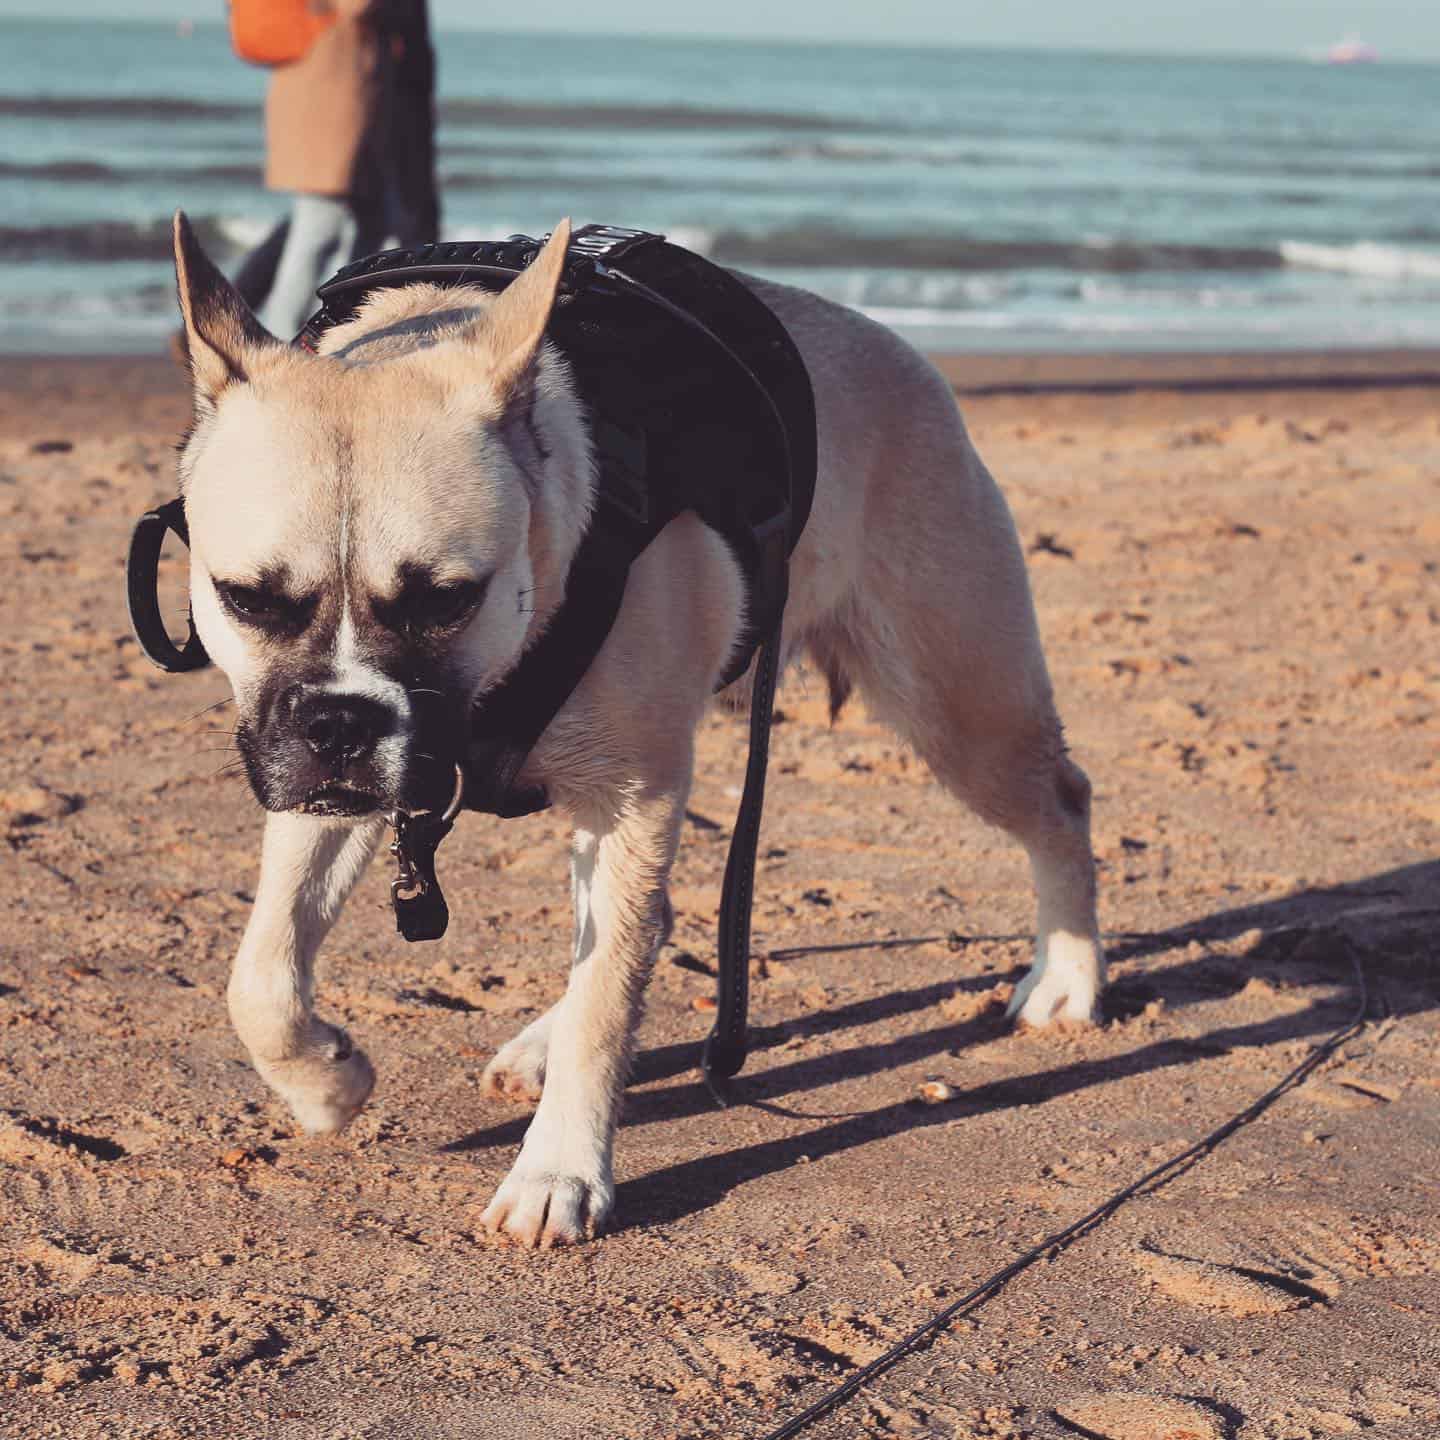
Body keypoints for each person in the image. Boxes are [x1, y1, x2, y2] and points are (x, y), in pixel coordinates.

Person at [248, 0, 439, 339]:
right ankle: (283, 338)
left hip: (341, 98)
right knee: (319, 226)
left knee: (369, 222)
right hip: (333, 103)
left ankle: (336, 327)